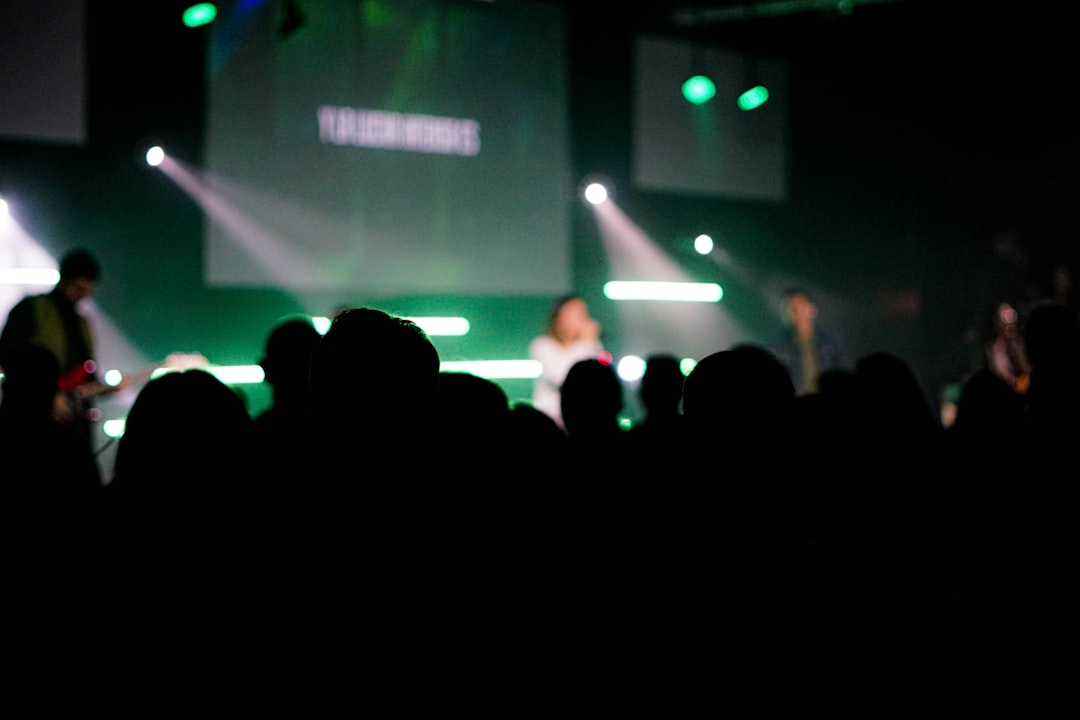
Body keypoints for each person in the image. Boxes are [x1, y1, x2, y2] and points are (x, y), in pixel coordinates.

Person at [0, 248, 108, 485]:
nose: (83, 295)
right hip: (31, 426)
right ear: (65, 278)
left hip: (72, 430)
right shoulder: (33, 308)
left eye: (88, 289)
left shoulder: (83, 323)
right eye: (79, 288)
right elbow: (9, 356)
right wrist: (47, 396)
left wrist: (107, 388)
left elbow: (88, 371)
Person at [528, 293, 607, 430]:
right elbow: (562, 376)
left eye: (583, 312)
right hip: (553, 421)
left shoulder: (591, 345)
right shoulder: (543, 345)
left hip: (586, 420)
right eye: (575, 313)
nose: (582, 318)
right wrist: (585, 342)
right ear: (558, 318)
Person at [770, 287, 849, 396]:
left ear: (811, 309)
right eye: (790, 308)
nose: (796, 313)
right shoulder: (778, 346)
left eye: (799, 306)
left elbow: (842, 367)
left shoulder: (828, 340)